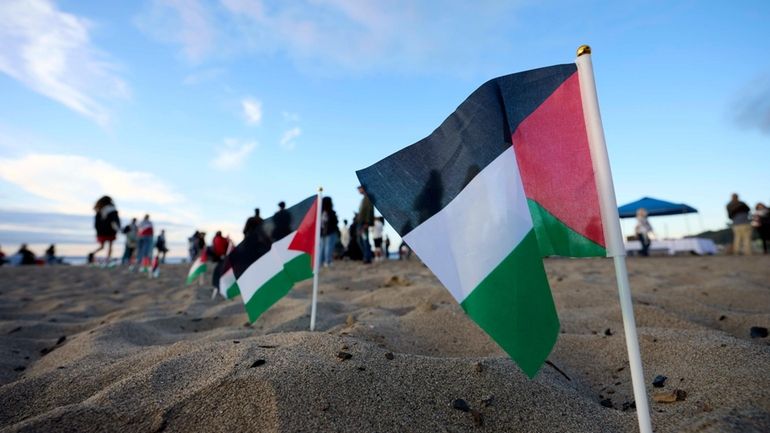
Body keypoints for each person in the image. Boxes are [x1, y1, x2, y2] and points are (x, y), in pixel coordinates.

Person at [90, 196, 121, 265]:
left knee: (102, 246)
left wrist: (98, 231)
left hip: (102, 231)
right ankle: (108, 259)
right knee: (110, 246)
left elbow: (97, 223)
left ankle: (92, 254)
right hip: (110, 231)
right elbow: (115, 220)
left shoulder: (100, 209)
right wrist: (118, 228)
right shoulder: (112, 209)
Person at [356, 186, 374, 264]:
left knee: (364, 240)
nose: (359, 191)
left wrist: (367, 222)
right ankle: (367, 257)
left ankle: (367, 258)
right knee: (361, 240)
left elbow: (370, 210)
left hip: (364, 223)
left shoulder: (368, 198)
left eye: (359, 189)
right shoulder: (364, 199)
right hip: (361, 222)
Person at [320, 197, 339, 267]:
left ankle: (321, 261)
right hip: (330, 232)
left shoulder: (320, 212)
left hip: (322, 233)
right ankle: (327, 261)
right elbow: (335, 222)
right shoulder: (331, 212)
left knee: (322, 247)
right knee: (328, 247)